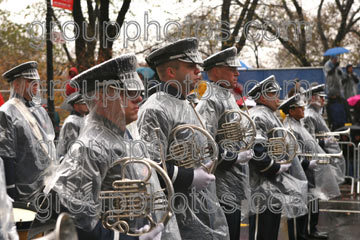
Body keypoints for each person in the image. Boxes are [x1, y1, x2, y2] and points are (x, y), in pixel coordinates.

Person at [44, 55, 179, 240]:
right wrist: (127, 239)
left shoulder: (123, 135)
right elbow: (76, 220)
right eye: (129, 93)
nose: (139, 98)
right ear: (104, 97)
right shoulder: (90, 146)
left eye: (138, 92)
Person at [137, 38, 230, 239]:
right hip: (176, 208)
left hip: (201, 202)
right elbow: (149, 167)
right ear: (171, 72)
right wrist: (189, 177)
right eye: (191, 67)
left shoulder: (186, 103)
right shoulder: (155, 108)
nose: (199, 71)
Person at [195, 47, 252, 240]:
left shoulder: (226, 95)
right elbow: (205, 144)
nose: (237, 73)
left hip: (232, 181)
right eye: (231, 68)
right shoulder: (210, 100)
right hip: (219, 185)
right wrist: (235, 157)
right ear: (215, 71)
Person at [247, 75, 308, 240]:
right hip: (260, 182)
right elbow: (256, 149)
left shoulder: (269, 114)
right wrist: (275, 166)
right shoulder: (259, 115)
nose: (278, 98)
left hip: (271, 184)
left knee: (270, 229)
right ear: (262, 97)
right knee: (262, 230)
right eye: (273, 94)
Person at [280, 93, 341, 240]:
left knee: (311, 202)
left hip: (308, 172)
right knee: (299, 205)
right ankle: (300, 234)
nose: (303, 110)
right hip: (298, 173)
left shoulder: (298, 124)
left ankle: (309, 231)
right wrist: (307, 163)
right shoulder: (289, 127)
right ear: (292, 110)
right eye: (300, 108)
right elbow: (291, 153)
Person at [0, 61, 56, 203]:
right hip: (23, 192)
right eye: (30, 82)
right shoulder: (6, 112)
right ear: (17, 85)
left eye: (36, 82)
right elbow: (6, 156)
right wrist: (10, 191)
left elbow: (49, 143)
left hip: (48, 186)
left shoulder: (40, 110)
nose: (35, 86)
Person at [303, 84, 346, 184]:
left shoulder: (315, 113)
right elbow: (309, 140)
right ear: (313, 98)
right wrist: (324, 142)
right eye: (321, 97)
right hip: (318, 157)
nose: (323, 100)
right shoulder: (309, 115)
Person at [57, 84, 89, 159]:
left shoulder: (84, 119)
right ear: (76, 106)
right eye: (83, 103)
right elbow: (71, 147)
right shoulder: (71, 122)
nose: (87, 105)